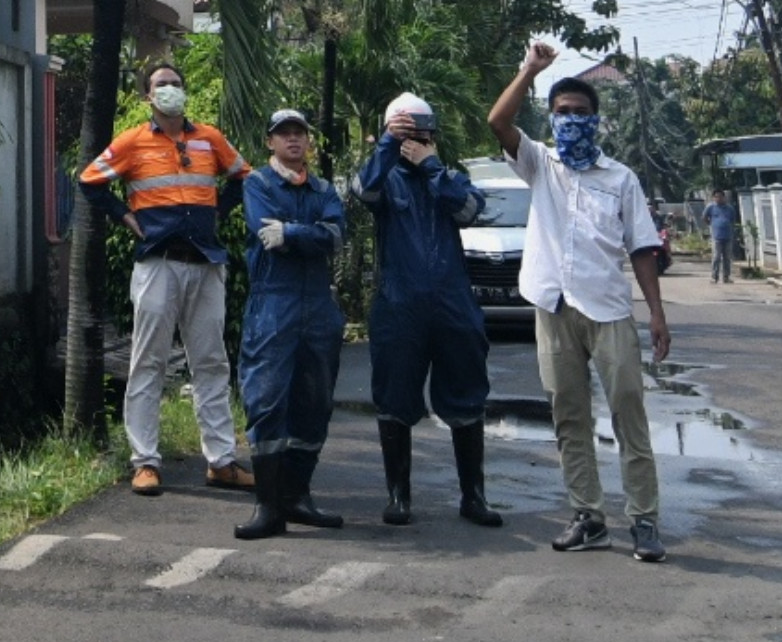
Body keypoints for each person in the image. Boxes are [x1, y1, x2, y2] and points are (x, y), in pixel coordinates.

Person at [490, 41, 672, 563]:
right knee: (568, 416)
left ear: (596, 120)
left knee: (628, 414)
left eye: (580, 114)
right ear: (551, 119)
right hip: (552, 306)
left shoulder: (620, 179)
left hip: (609, 310)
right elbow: (498, 120)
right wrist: (529, 70)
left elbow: (642, 248)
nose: (571, 120)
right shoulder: (539, 164)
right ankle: (588, 517)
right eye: (562, 113)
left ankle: (644, 520)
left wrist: (656, 312)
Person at [78, 59, 254, 496]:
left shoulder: (209, 137)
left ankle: (222, 461)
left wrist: (219, 211)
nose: (170, 89)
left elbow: (244, 178)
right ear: (147, 96)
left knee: (212, 362)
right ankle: (145, 462)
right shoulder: (132, 141)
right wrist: (124, 216)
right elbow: (89, 181)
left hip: (206, 262)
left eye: (176, 83)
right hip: (157, 261)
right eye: (162, 85)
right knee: (148, 362)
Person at [354, 91, 500, 529]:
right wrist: (386, 144)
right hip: (399, 304)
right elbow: (363, 191)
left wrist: (432, 168)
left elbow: (471, 209)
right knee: (395, 397)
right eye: (407, 132)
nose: (417, 139)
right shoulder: (383, 179)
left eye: (423, 132)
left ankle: (473, 496)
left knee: (467, 394)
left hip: (453, 303)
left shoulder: (447, 177)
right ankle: (399, 496)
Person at [233, 108, 349, 540]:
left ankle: (298, 497)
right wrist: (308, 233)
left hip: (319, 308)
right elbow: (267, 236)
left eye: (299, 133)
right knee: (266, 401)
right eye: (284, 134)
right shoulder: (258, 184)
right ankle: (268, 507)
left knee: (314, 403)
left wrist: (293, 233)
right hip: (273, 305)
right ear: (271, 142)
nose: (293, 140)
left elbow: (336, 236)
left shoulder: (323, 189)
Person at [702, 189, 740, 283]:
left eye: (720, 196)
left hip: (728, 236)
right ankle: (714, 277)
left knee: (727, 258)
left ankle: (726, 277)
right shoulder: (710, 207)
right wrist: (711, 225)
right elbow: (704, 217)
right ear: (713, 198)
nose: (718, 198)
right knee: (716, 257)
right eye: (716, 197)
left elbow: (733, 220)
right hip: (716, 236)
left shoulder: (729, 208)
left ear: (724, 197)